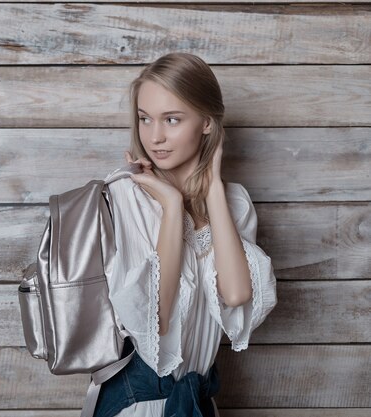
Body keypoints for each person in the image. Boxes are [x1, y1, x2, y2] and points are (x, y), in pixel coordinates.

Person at [92, 52, 278, 417]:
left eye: (172, 119)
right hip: (138, 405)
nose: (155, 137)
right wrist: (173, 206)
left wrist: (212, 192)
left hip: (199, 402)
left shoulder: (235, 201)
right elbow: (156, 318)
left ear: (206, 123)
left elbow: (237, 294)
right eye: (145, 119)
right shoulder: (126, 197)